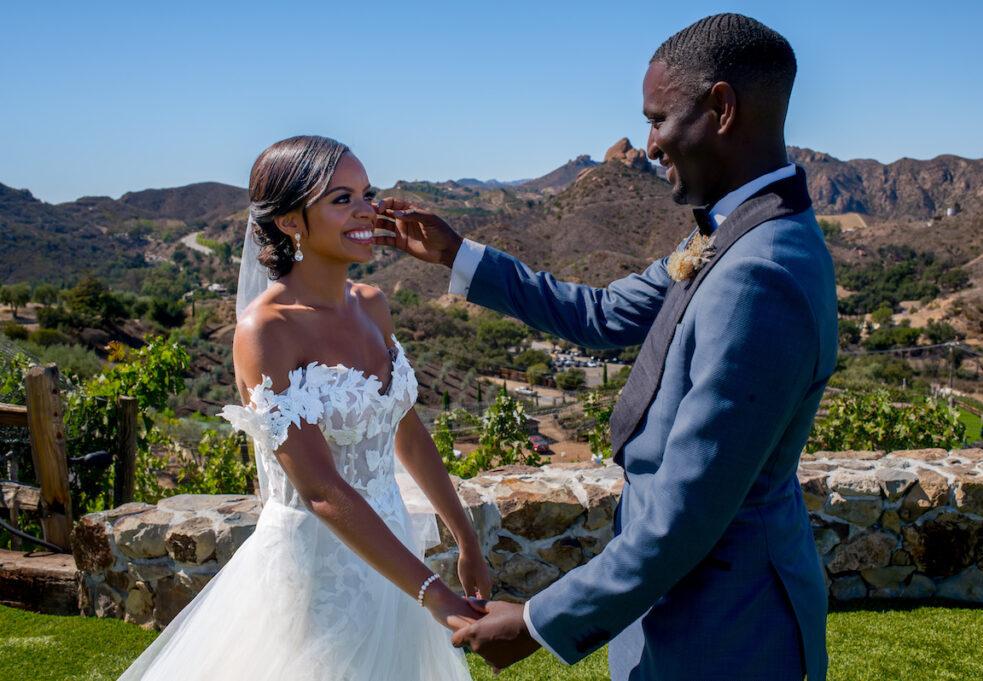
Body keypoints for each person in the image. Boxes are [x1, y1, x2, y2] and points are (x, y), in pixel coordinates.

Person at [375, 13, 837, 681]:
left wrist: (536, 621)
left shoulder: (759, 273)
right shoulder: (734, 233)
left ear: (722, 108)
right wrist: (456, 255)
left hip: (725, 629)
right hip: (681, 608)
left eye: (658, 119)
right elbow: (601, 313)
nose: (649, 143)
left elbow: (686, 514)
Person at [116, 135, 490, 681]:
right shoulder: (267, 331)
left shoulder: (373, 305)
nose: (367, 210)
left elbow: (404, 430)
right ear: (291, 221)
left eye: (368, 193)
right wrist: (434, 595)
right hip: (320, 568)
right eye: (342, 199)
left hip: (396, 552)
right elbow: (319, 490)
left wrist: (465, 537)